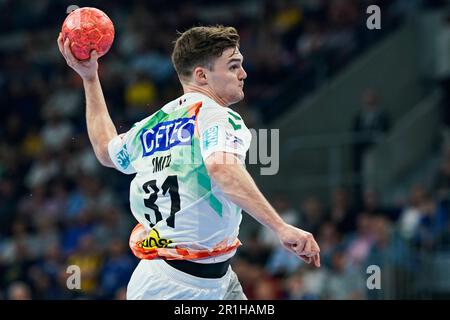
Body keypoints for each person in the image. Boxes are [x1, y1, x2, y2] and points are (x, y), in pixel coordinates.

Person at [57, 25, 320, 300]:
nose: (243, 74)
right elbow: (222, 169)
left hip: (198, 277)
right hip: (183, 287)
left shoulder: (151, 125)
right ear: (202, 75)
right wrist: (281, 227)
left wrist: (90, 79)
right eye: (233, 66)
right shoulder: (218, 116)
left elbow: (104, 149)